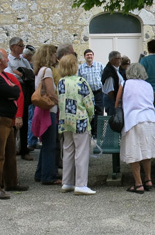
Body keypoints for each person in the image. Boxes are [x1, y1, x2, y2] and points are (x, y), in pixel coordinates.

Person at [0, 48, 28, 199]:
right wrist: (12, 90)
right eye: (5, 58)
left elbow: (15, 91)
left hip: (6, 119)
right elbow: (14, 92)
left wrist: (12, 90)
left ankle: (11, 182)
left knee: (10, 153)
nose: (7, 60)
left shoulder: (0, 74)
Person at [115, 63, 155, 194]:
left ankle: (138, 184)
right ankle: (148, 179)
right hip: (150, 119)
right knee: (146, 152)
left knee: (133, 153)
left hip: (133, 120)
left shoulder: (125, 83)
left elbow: (117, 102)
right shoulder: (148, 85)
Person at [56, 54, 96, 195]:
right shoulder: (80, 81)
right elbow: (89, 102)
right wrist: (90, 116)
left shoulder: (61, 82)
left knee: (67, 151)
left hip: (65, 120)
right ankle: (81, 184)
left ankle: (67, 182)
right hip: (79, 120)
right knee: (81, 152)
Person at [31, 44, 60, 186]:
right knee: (50, 144)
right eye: (54, 54)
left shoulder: (39, 71)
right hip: (49, 111)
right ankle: (48, 176)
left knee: (46, 144)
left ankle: (41, 172)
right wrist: (60, 102)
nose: (56, 57)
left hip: (42, 110)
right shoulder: (47, 71)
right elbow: (50, 93)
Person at [6, 37, 35, 158]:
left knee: (24, 119)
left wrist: (21, 73)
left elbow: (31, 73)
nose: (23, 48)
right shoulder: (7, 60)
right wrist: (24, 75)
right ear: (13, 47)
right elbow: (10, 75)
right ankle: (11, 148)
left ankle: (23, 148)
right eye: (20, 45)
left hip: (25, 91)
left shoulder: (24, 61)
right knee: (13, 121)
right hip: (13, 91)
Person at [78, 49, 105, 135]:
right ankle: (91, 131)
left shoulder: (99, 65)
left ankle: (99, 132)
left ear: (93, 56)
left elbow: (104, 77)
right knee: (89, 112)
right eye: (87, 55)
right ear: (84, 57)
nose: (89, 56)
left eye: (91, 55)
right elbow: (79, 80)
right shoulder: (80, 68)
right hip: (87, 94)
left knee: (100, 111)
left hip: (98, 92)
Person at [101, 50, 124, 116]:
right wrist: (115, 103)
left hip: (112, 99)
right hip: (111, 100)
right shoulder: (110, 72)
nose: (120, 60)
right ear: (113, 60)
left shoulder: (115, 70)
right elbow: (110, 90)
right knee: (112, 119)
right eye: (119, 58)